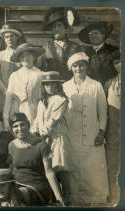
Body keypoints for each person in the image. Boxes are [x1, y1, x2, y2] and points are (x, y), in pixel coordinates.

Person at [63, 52, 109, 204]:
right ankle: (76, 201)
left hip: (92, 134)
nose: (79, 68)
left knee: (93, 170)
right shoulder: (65, 86)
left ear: (86, 66)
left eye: (82, 65)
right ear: (71, 68)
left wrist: (101, 131)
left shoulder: (96, 85)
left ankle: (97, 202)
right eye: (75, 66)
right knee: (75, 170)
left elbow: (103, 111)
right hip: (72, 135)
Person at [31, 71, 70, 204]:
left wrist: (41, 135)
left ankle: (65, 201)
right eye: (47, 85)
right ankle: (53, 200)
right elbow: (37, 120)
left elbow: (53, 121)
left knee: (60, 169)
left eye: (53, 85)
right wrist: (33, 132)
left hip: (57, 139)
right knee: (48, 170)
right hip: (44, 140)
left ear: (58, 85)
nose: (50, 87)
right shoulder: (42, 101)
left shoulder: (61, 100)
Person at [8, 112, 64, 206]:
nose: (20, 129)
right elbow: (12, 169)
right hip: (18, 185)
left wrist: (59, 197)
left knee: (16, 198)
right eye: (15, 126)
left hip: (38, 188)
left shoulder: (41, 145)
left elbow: (49, 172)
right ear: (12, 129)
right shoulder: (11, 145)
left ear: (28, 125)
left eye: (23, 125)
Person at [4, 43, 44, 129]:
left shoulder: (40, 74)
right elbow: (8, 98)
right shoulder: (14, 75)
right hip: (17, 111)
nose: (25, 58)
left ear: (33, 57)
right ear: (19, 59)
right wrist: (6, 118)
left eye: (29, 55)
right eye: (22, 56)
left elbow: (43, 99)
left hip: (34, 111)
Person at [0, 23, 26, 112]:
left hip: (20, 94)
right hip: (3, 94)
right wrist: (6, 92)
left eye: (12, 36)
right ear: (4, 38)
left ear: (17, 37)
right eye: (7, 37)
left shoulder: (23, 55)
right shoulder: (0, 55)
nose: (9, 39)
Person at [41, 7, 80, 81]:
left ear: (65, 28)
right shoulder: (46, 47)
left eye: (59, 25)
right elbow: (42, 67)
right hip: (52, 85)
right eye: (54, 26)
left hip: (71, 83)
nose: (56, 29)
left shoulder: (75, 46)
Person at [79, 21, 119, 86]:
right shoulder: (85, 53)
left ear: (103, 35)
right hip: (89, 87)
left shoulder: (113, 51)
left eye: (96, 33)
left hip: (110, 87)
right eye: (90, 34)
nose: (93, 36)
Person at [104, 51, 121, 205]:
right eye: (116, 63)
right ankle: (114, 197)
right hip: (114, 132)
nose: (119, 65)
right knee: (113, 165)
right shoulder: (109, 83)